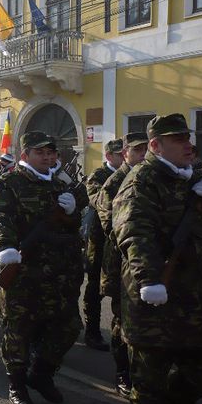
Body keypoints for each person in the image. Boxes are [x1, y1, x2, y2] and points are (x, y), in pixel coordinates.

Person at [112, 113, 202, 404]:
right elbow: (132, 232)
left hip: (193, 294)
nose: (189, 145)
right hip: (155, 295)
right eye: (178, 139)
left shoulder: (192, 178)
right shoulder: (142, 180)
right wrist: (148, 279)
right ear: (156, 145)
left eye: (187, 138)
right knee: (150, 379)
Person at [0, 131, 83, 404]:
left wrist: (73, 211)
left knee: (67, 328)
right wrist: (4, 246)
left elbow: (72, 224)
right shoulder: (9, 182)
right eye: (41, 152)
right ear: (25, 154)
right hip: (24, 270)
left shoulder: (59, 183)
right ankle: (17, 384)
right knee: (18, 331)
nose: (47, 157)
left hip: (60, 273)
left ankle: (41, 373)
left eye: (51, 153)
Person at [95, 132, 148, 398]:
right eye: (138, 151)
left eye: (146, 150)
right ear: (125, 153)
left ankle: (143, 372)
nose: (143, 155)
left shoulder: (149, 176)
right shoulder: (115, 182)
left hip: (145, 261)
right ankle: (122, 373)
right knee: (122, 322)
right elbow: (111, 225)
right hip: (120, 262)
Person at [83, 139, 124, 352]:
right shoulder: (98, 176)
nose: (124, 157)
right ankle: (92, 330)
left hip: (121, 241)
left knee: (120, 287)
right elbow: (99, 201)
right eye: (120, 154)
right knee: (94, 287)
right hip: (99, 240)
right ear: (109, 156)